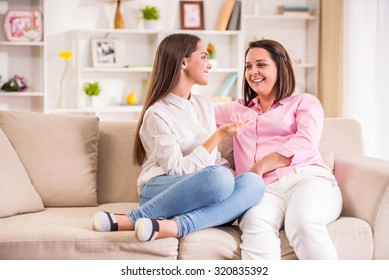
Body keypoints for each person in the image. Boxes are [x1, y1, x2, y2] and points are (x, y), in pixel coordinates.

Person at [91, 33, 265, 242]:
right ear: (184, 62)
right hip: (161, 189)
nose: (209, 65)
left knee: (253, 183)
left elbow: (215, 163)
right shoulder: (157, 114)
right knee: (220, 178)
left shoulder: (204, 104)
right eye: (203, 57)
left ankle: (172, 226)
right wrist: (218, 136)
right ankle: (136, 216)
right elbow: (177, 170)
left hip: (203, 190)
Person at [215, 39, 343, 259]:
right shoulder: (237, 110)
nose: (253, 72)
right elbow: (193, 114)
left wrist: (259, 166)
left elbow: (305, 141)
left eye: (261, 65)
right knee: (254, 223)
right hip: (264, 191)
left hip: (307, 178)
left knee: (302, 222)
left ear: (280, 66)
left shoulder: (304, 102)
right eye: (248, 66)